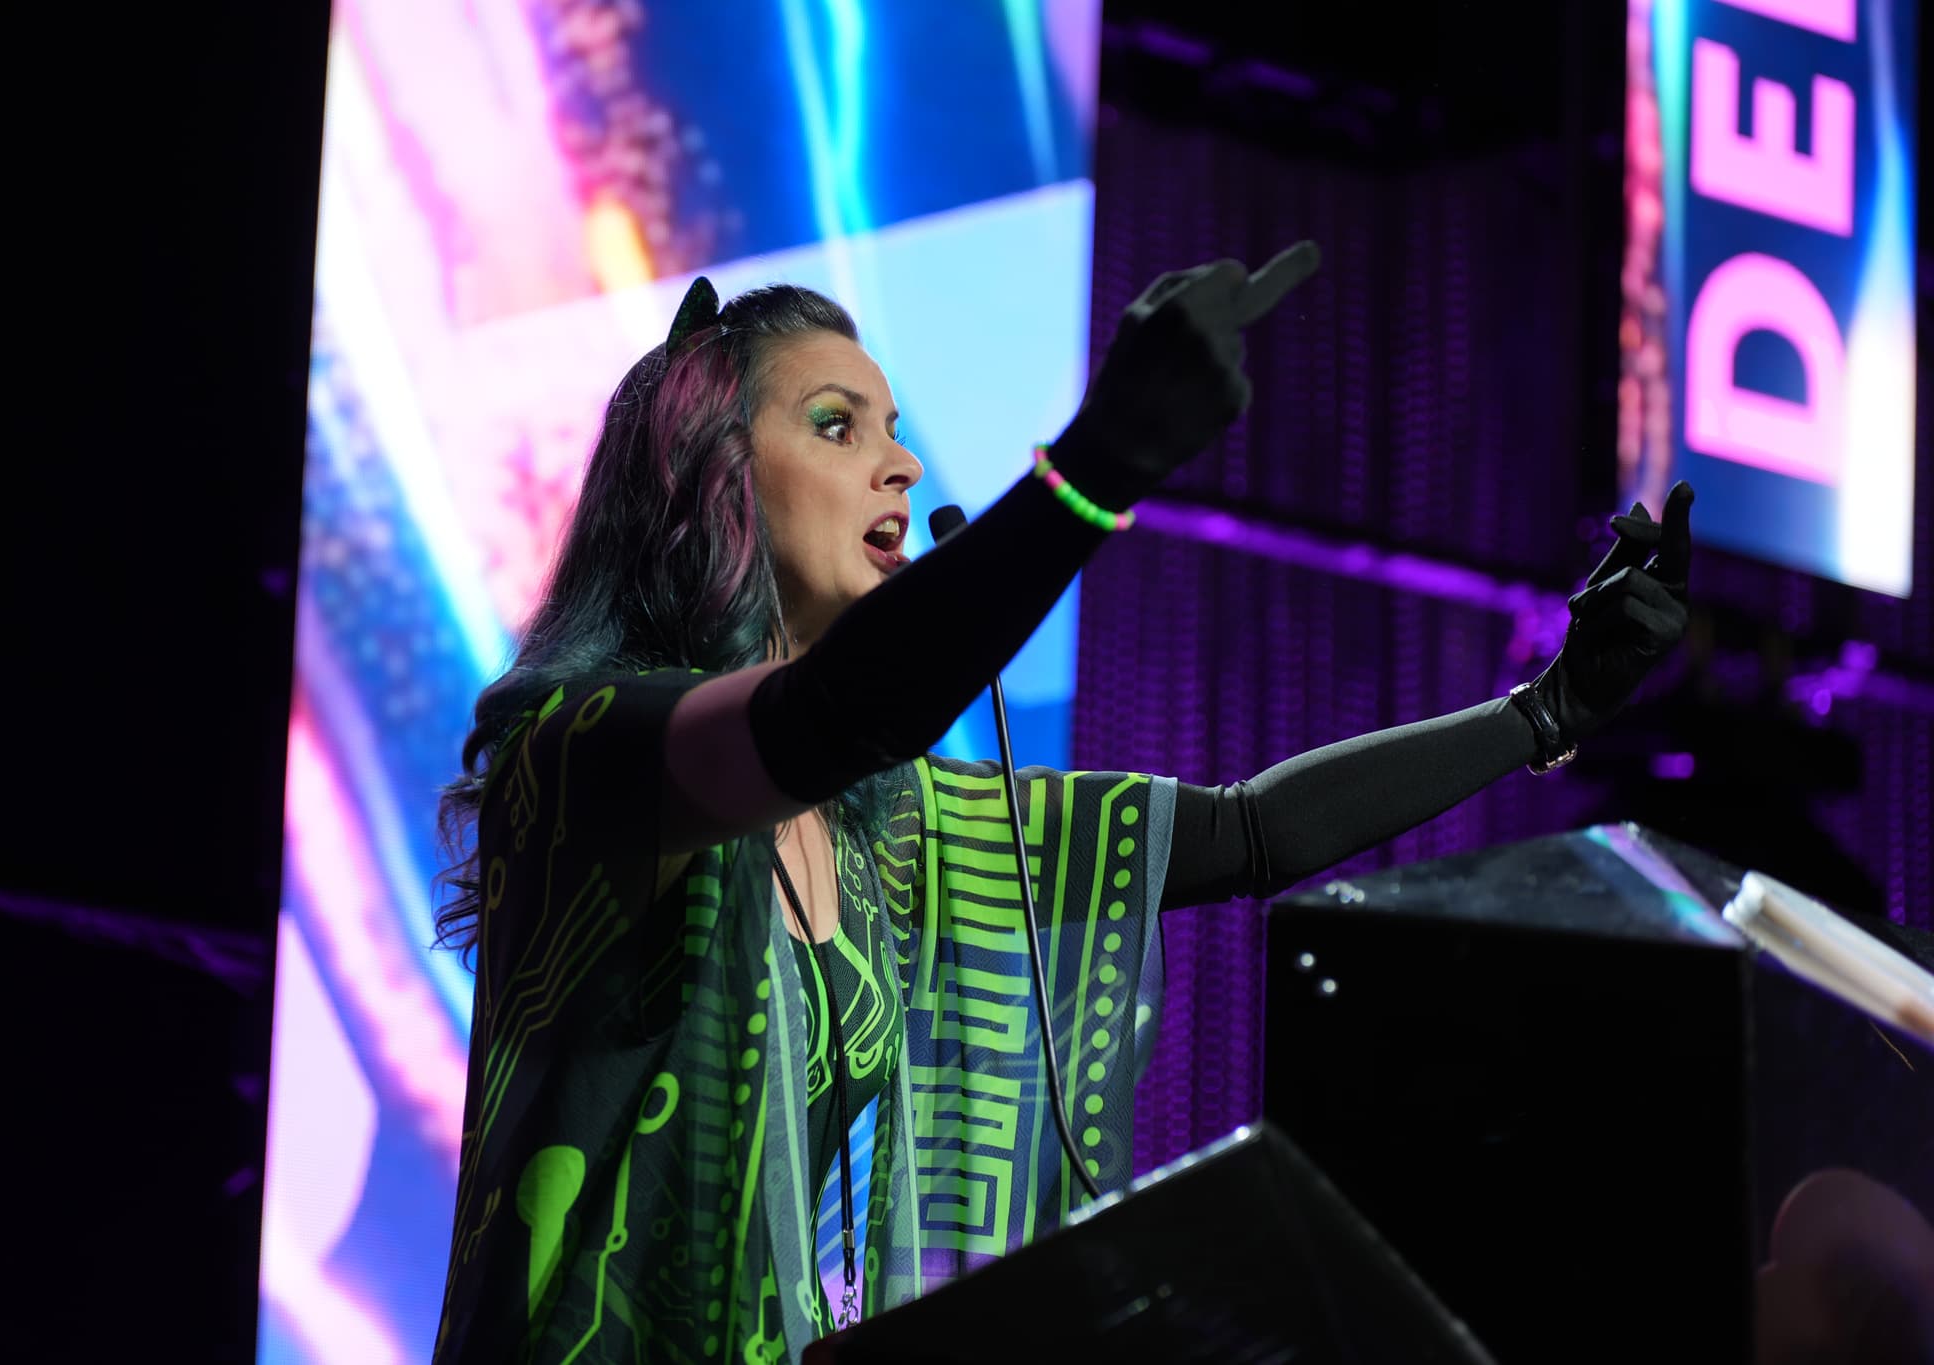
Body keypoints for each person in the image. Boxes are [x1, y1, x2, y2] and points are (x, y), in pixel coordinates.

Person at [429, 249, 1694, 1363]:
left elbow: (1246, 832)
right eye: (833, 425)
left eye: (889, 424)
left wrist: (1545, 714)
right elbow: (828, 718)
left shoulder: (897, 834)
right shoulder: (582, 749)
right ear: (708, 473)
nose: (900, 460)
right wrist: (1100, 464)